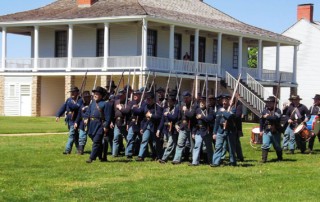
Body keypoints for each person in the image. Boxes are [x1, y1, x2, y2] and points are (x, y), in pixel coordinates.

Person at [84, 86, 112, 163]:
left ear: (101, 95)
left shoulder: (105, 104)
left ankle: (91, 157)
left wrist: (106, 126)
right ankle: (102, 156)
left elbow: (108, 117)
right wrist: (86, 119)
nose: (95, 95)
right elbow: (87, 113)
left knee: (96, 142)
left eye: (97, 94)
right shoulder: (92, 104)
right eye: (94, 94)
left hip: (100, 125)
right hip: (91, 125)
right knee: (97, 142)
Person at [211, 94, 237, 167]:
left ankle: (233, 162)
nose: (224, 102)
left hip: (230, 131)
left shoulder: (233, 109)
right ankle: (215, 162)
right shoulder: (219, 110)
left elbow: (229, 116)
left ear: (229, 101)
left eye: (226, 101)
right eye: (223, 101)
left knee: (231, 148)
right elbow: (216, 122)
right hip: (220, 130)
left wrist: (224, 112)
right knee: (218, 147)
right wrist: (214, 133)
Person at [172, 91, 197, 164]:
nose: (185, 99)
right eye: (184, 98)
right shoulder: (182, 105)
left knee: (192, 146)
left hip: (191, 127)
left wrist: (185, 110)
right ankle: (176, 159)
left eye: (187, 98)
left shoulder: (194, 105)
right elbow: (179, 117)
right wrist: (176, 124)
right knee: (180, 144)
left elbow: (191, 115)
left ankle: (194, 160)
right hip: (183, 127)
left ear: (190, 97)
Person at [56, 86, 83, 155]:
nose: (72, 93)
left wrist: (70, 104)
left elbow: (76, 107)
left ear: (77, 93)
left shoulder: (80, 100)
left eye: (74, 92)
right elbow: (63, 107)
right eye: (72, 92)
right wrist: (58, 115)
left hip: (76, 120)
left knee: (71, 135)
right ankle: (79, 150)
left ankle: (67, 150)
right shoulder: (69, 100)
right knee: (75, 136)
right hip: (69, 120)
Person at [136, 92, 163, 161]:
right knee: (144, 140)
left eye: (149, 99)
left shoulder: (158, 107)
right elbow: (143, 119)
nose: (148, 100)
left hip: (155, 127)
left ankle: (158, 155)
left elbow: (159, 117)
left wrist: (151, 115)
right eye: (147, 99)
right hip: (147, 126)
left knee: (155, 143)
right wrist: (142, 127)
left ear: (153, 99)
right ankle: (141, 156)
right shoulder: (145, 107)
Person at [189, 96, 214, 166]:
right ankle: (195, 162)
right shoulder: (197, 110)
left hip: (207, 130)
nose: (202, 103)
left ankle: (211, 161)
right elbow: (195, 122)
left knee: (208, 147)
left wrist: (202, 117)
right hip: (199, 130)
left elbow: (210, 119)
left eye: (203, 101)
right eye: (200, 101)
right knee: (197, 146)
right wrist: (193, 132)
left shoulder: (209, 110)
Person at [259, 96, 283, 163]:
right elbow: (261, 121)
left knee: (277, 146)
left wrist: (268, 117)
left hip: (276, 131)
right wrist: (261, 130)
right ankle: (264, 159)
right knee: (265, 145)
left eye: (270, 102)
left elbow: (276, 118)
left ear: (274, 103)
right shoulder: (264, 111)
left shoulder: (278, 110)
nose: (268, 104)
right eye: (268, 103)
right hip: (266, 130)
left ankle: (279, 158)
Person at [158, 95, 180, 163]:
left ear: (174, 102)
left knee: (170, 144)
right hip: (166, 129)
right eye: (168, 101)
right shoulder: (165, 109)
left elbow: (174, 117)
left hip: (173, 129)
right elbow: (162, 120)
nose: (169, 102)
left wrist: (168, 114)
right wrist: (159, 129)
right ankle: (172, 156)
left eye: (170, 101)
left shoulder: (176, 109)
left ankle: (164, 159)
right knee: (167, 144)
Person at [74, 90, 91, 155]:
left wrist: (86, 108)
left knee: (93, 137)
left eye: (87, 97)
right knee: (81, 137)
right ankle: (80, 150)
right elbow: (79, 115)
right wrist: (76, 122)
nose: (86, 98)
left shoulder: (92, 104)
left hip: (90, 123)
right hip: (82, 123)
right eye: (85, 97)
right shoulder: (81, 105)